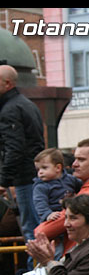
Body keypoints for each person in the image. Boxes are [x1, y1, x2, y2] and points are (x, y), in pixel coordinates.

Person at [35, 137, 89, 256]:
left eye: (81, 160)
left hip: (81, 259)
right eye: (75, 159)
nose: (74, 164)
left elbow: (41, 232)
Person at [0, 65, 44, 243]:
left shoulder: (9, 110)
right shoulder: (26, 104)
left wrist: (4, 180)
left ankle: (35, 268)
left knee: (31, 231)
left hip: (24, 177)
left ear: (7, 83)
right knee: (35, 227)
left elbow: (14, 147)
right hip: (32, 173)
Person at [32, 148, 82, 224]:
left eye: (44, 168)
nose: (40, 172)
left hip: (70, 214)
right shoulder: (40, 186)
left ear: (58, 168)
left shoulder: (70, 179)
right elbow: (40, 203)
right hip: (53, 218)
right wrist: (48, 214)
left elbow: (82, 187)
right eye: (38, 169)